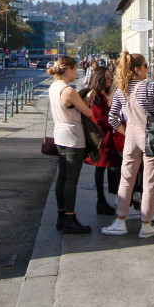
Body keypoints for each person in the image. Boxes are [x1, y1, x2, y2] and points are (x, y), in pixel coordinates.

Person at [101, 52, 154, 239]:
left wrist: (127, 131)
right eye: (146, 65)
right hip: (150, 136)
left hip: (130, 135)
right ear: (138, 69)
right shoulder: (151, 87)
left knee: (126, 178)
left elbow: (112, 118)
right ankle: (146, 223)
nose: (148, 69)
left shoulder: (121, 89)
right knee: (150, 181)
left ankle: (120, 220)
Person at [48, 56, 94, 234]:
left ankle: (61, 216)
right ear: (68, 70)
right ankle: (70, 217)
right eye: (75, 69)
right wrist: (88, 98)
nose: (76, 72)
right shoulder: (68, 90)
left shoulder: (53, 87)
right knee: (71, 180)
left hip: (59, 135)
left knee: (62, 177)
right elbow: (88, 112)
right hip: (73, 137)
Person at [82, 66, 122, 215]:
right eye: (108, 77)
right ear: (100, 78)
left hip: (109, 137)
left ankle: (109, 198)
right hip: (102, 138)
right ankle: (103, 199)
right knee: (103, 167)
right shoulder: (95, 95)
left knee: (108, 167)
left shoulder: (106, 93)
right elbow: (99, 117)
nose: (111, 79)